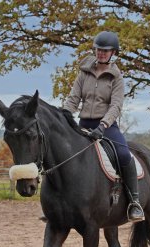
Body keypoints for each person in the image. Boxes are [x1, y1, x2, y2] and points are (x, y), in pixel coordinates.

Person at [62, 31, 144, 222]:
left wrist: (103, 124)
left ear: (113, 53)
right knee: (62, 152)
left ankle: (134, 201)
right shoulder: (84, 72)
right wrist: (65, 115)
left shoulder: (116, 78)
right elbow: (73, 98)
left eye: (105, 51)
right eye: (99, 49)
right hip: (83, 124)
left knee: (124, 155)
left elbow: (116, 105)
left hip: (106, 126)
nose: (101, 53)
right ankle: (59, 203)